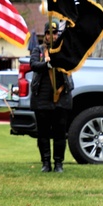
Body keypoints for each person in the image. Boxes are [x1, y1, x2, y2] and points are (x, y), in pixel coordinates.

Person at [29, 20, 74, 172]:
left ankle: (59, 163)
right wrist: (46, 64)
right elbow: (33, 65)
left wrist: (58, 60)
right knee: (43, 133)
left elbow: (71, 65)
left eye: (55, 33)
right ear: (45, 34)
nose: (52, 36)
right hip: (42, 97)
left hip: (61, 96)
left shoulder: (65, 50)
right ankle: (46, 163)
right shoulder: (39, 50)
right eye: (49, 33)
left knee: (60, 133)